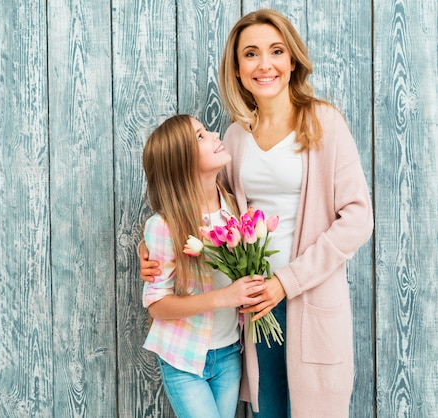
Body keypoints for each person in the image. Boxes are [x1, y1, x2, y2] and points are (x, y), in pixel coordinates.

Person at [138, 9, 373, 418]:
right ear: (237, 67)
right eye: (251, 54)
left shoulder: (324, 123)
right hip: (252, 309)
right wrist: (154, 244)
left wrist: (286, 281)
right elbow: (209, 210)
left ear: (292, 59)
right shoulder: (235, 135)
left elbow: (357, 218)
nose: (265, 65)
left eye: (276, 51)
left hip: (309, 300)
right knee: (269, 410)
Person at [140, 114, 268, 418]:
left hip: (228, 354)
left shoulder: (235, 209)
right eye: (200, 136)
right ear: (180, 162)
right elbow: (157, 305)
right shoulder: (164, 226)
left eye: (206, 130)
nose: (213, 134)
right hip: (184, 358)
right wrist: (224, 298)